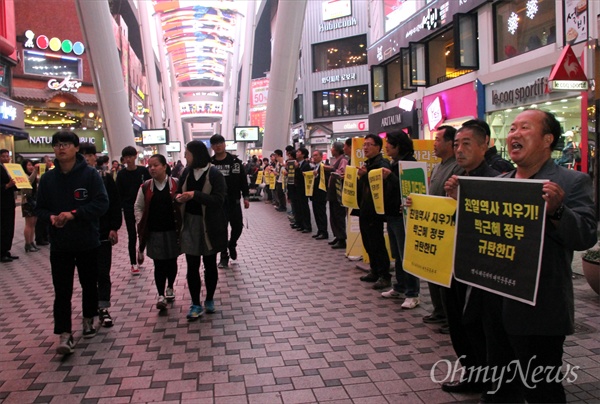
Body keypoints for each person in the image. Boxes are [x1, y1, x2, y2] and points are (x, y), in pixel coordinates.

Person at [499, 109, 596, 402]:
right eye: (512, 128)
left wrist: (558, 210)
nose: (514, 134)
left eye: (524, 128)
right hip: (495, 300)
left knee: (542, 386)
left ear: (547, 140)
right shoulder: (499, 181)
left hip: (540, 305)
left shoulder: (571, 182)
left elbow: (585, 235)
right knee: (502, 380)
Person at [35, 131, 109, 355]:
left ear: (76, 148)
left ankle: (88, 319)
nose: (61, 148)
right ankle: (64, 333)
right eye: (57, 145)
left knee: (89, 283)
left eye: (66, 144)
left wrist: (74, 214)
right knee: (62, 289)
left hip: (87, 240)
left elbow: (101, 203)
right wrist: (51, 217)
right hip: (60, 244)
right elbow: (39, 208)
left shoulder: (90, 175)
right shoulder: (48, 179)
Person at [442, 123, 500, 396]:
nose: (460, 150)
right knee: (457, 322)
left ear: (484, 144)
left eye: (466, 144)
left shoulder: (497, 178)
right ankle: (472, 373)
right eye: (456, 144)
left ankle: (487, 379)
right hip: (454, 265)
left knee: (476, 325)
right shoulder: (457, 177)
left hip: (482, 270)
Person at [176, 141, 227, 320]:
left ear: (196, 154)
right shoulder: (186, 172)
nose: (185, 156)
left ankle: (210, 299)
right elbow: (177, 191)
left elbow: (219, 200)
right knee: (192, 265)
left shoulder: (214, 174)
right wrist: (179, 197)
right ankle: (195, 303)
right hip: (189, 224)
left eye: (187, 153)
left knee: (210, 264)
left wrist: (194, 195)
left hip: (209, 225)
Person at [423, 125, 463, 333]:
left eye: (438, 139)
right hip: (434, 226)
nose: (434, 144)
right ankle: (439, 310)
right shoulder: (437, 167)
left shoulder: (457, 167)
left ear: (450, 143)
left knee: (447, 276)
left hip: (449, 228)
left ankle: (450, 317)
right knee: (433, 272)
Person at [79, 143, 122, 328]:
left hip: (103, 231)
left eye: (89, 154)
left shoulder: (105, 177)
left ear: (95, 157)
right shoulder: (72, 179)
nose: (86, 158)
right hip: (80, 235)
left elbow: (114, 203)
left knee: (103, 272)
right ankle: (90, 308)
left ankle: (103, 308)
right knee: (87, 275)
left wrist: (114, 227)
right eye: (83, 154)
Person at [134, 154, 181, 311]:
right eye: (150, 166)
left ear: (165, 166)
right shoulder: (146, 186)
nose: (152, 169)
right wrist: (141, 221)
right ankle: (160, 294)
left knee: (171, 261)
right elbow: (138, 206)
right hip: (154, 231)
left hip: (172, 231)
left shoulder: (176, 184)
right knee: (158, 263)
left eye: (155, 165)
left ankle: (170, 287)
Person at [380, 132, 421, 309]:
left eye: (389, 143)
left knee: (407, 255)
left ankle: (413, 293)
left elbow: (409, 188)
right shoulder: (393, 163)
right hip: (392, 215)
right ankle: (400, 286)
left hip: (403, 217)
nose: (386, 146)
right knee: (397, 254)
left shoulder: (409, 163)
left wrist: (391, 176)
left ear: (398, 146)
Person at [357, 134, 392, 290]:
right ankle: (374, 270)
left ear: (378, 147)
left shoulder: (382, 164)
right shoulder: (368, 163)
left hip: (375, 210)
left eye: (369, 145)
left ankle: (384, 275)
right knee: (368, 241)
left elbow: (379, 186)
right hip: (364, 208)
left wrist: (364, 177)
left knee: (377, 242)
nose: (365, 148)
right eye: (364, 145)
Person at [210, 134, 250, 269]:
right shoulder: (210, 163)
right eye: (215, 144)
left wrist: (246, 196)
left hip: (234, 200)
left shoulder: (235, 161)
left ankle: (232, 244)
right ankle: (223, 256)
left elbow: (243, 180)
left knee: (238, 226)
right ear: (212, 147)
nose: (218, 145)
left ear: (224, 144)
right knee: (221, 230)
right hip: (217, 203)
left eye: (220, 142)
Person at [116, 146, 151, 275]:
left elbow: (149, 187)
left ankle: (141, 250)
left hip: (143, 207)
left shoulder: (143, 171)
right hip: (129, 208)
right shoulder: (121, 174)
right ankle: (133, 263)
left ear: (135, 156)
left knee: (143, 232)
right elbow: (119, 192)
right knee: (132, 235)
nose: (128, 159)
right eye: (126, 157)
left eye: (130, 156)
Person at [323, 142, 348, 249]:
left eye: (332, 148)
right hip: (333, 191)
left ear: (337, 149)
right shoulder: (336, 160)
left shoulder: (343, 160)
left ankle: (342, 238)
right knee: (333, 214)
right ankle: (337, 236)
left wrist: (330, 169)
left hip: (338, 191)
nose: (331, 150)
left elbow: (341, 173)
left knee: (338, 215)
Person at [1, 149, 19, 262]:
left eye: (7, 156)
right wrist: (7, 185)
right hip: (2, 204)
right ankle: (1, 252)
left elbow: (14, 185)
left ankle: (6, 250)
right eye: (3, 156)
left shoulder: (9, 169)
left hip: (9, 203)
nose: (6, 158)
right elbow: (5, 185)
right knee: (3, 228)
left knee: (9, 227)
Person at [20, 159, 40, 253]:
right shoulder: (23, 175)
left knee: (33, 223)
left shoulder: (33, 175)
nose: (31, 167)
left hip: (34, 201)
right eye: (28, 165)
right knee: (29, 223)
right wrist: (35, 171)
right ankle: (27, 243)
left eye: (32, 165)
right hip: (27, 201)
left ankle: (31, 242)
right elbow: (28, 183)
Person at [310, 150, 329, 240]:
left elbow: (325, 179)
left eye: (316, 155)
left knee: (321, 213)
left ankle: (324, 232)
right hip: (314, 194)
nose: (314, 157)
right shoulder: (314, 167)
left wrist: (317, 175)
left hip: (321, 194)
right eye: (313, 155)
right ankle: (319, 230)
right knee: (316, 213)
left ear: (321, 156)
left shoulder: (324, 166)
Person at [35, 155, 53, 246]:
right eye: (48, 161)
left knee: (46, 221)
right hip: (40, 196)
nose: (50, 162)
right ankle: (39, 238)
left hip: (48, 197)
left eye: (50, 160)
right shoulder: (40, 171)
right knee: (41, 220)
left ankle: (45, 237)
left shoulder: (50, 172)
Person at [293, 147, 313, 233]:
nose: (297, 153)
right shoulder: (298, 164)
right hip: (297, 189)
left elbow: (302, 177)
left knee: (304, 207)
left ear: (303, 154)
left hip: (303, 189)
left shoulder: (305, 165)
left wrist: (297, 169)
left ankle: (307, 226)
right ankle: (301, 224)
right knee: (299, 207)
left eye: (299, 152)